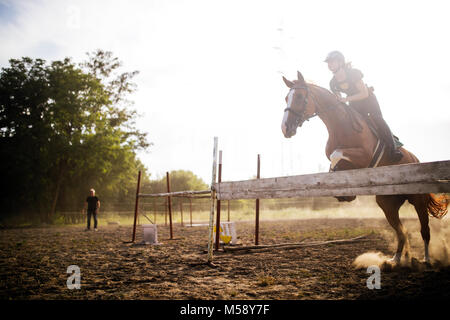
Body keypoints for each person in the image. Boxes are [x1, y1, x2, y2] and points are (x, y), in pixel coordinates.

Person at [324, 50, 403, 162]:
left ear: (340, 62)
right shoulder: (333, 83)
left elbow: (364, 93)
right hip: (354, 103)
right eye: (328, 63)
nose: (329, 64)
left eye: (332, 62)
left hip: (368, 100)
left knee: (377, 119)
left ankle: (393, 150)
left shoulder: (353, 73)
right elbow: (339, 100)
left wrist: (346, 99)